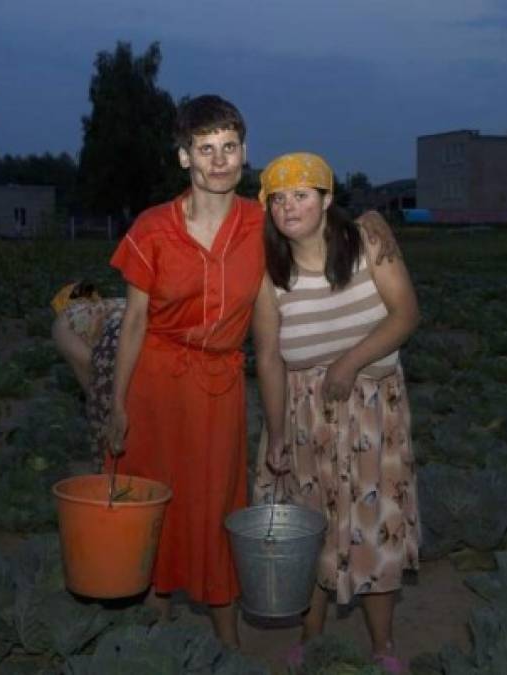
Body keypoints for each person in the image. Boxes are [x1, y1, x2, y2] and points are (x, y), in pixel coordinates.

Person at [106, 95, 398, 648]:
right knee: (152, 500)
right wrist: (118, 403)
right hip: (153, 383)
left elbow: (314, 231)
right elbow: (136, 322)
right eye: (205, 149)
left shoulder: (259, 224)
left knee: (217, 504)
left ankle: (227, 636)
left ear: (244, 155)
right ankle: (154, 624)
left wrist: (369, 230)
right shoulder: (151, 228)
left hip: (218, 384)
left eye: (229, 148)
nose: (218, 161)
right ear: (184, 158)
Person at [251, 152, 421, 672]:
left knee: (377, 527)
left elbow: (406, 314)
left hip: (373, 409)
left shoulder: (369, 241)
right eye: (278, 199)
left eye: (301, 194)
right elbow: (268, 358)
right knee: (311, 528)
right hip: (304, 418)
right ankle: (311, 637)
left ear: (326, 200)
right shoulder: (270, 271)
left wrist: (348, 363)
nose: (289, 207)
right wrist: (276, 434)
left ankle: (383, 647)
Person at [50, 280, 126, 463]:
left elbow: (91, 366)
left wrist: (98, 407)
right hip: (150, 336)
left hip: (116, 345)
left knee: (106, 422)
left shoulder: (62, 323)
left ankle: (108, 470)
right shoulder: (114, 303)